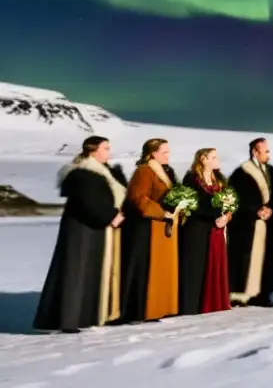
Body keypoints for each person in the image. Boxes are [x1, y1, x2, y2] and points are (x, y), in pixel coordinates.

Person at [34, 136, 127, 333]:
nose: (109, 152)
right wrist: (111, 216)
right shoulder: (82, 173)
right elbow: (90, 201)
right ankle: (68, 320)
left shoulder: (103, 172)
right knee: (76, 270)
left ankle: (90, 316)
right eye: (105, 148)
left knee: (92, 271)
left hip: (95, 228)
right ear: (93, 151)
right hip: (81, 228)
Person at [120, 138, 180, 322]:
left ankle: (159, 308)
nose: (168, 155)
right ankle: (141, 311)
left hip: (162, 228)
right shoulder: (144, 171)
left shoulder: (166, 172)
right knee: (146, 270)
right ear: (152, 153)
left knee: (161, 270)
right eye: (164, 152)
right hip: (146, 228)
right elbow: (139, 199)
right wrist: (162, 212)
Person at [228, 137, 273, 307]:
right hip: (247, 225)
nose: (268, 154)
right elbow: (237, 197)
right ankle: (241, 295)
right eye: (265, 151)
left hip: (269, 224)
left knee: (267, 259)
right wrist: (255, 209)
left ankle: (264, 294)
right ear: (255, 152)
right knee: (244, 258)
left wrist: (271, 209)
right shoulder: (240, 173)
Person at [178, 148, 232, 316]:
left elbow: (231, 201)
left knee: (214, 265)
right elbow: (191, 204)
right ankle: (191, 307)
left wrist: (227, 216)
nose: (217, 160)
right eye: (213, 157)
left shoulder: (220, 179)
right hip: (196, 229)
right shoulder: (191, 179)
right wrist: (215, 215)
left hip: (216, 230)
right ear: (203, 159)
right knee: (195, 268)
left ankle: (214, 303)